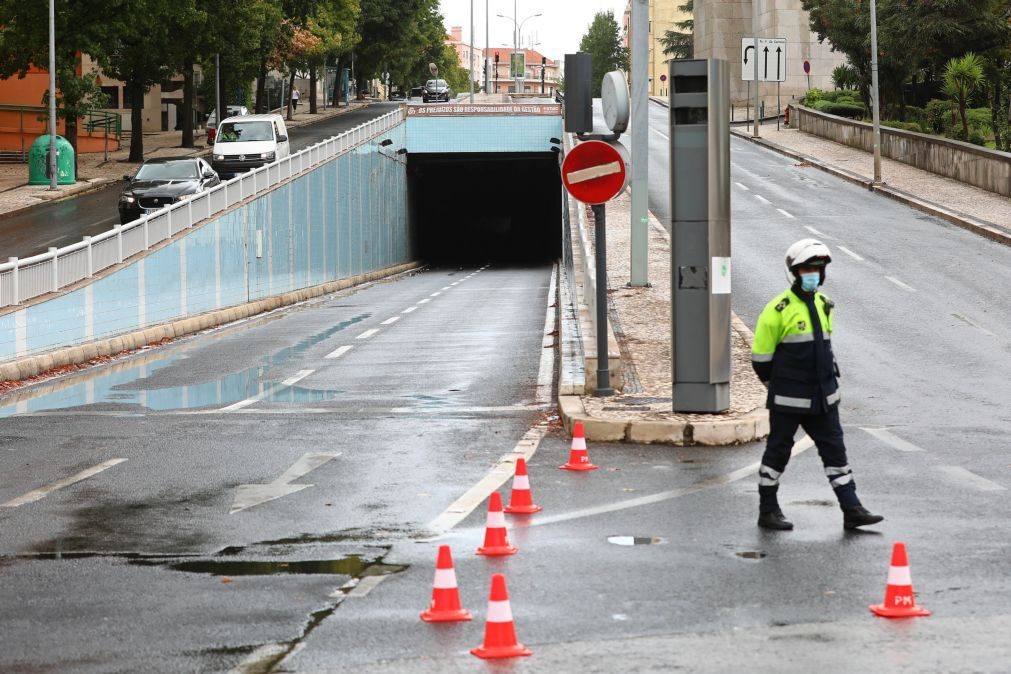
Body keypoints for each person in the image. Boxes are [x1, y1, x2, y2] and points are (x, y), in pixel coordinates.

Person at [751, 239, 884, 531]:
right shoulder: (777, 310)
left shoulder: (825, 305)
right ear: (794, 273)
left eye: (817, 269)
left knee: (836, 454)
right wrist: (781, 387)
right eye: (807, 269)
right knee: (778, 453)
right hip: (789, 401)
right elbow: (760, 359)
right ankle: (768, 510)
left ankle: (852, 509)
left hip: (824, 398)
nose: (813, 274)